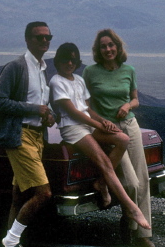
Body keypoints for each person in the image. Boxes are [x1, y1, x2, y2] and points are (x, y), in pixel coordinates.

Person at [49, 42, 151, 231]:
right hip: (73, 129)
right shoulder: (56, 82)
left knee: (122, 139)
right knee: (103, 160)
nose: (69, 63)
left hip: (87, 124)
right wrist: (97, 125)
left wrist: (103, 122)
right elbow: (73, 113)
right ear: (58, 61)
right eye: (65, 60)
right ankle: (132, 208)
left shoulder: (78, 80)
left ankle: (102, 182)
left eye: (73, 59)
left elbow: (87, 109)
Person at [83, 28, 155, 247]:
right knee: (131, 183)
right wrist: (99, 122)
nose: (108, 49)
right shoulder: (90, 73)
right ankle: (128, 218)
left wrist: (127, 105)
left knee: (142, 180)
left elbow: (135, 100)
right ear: (98, 50)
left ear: (118, 47)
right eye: (103, 46)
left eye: (111, 45)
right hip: (110, 131)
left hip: (130, 125)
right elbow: (85, 105)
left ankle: (143, 234)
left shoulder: (129, 70)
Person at [0, 21, 56, 247]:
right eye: (39, 38)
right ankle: (10, 242)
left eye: (48, 37)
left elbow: (38, 104)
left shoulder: (42, 68)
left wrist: (46, 115)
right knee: (43, 193)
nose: (45, 41)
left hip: (37, 135)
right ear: (28, 40)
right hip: (20, 137)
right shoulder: (17, 67)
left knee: (19, 196)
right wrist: (33, 109)